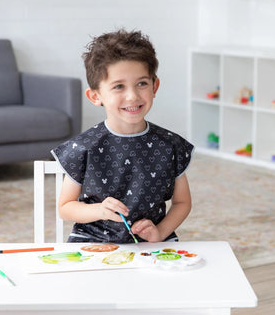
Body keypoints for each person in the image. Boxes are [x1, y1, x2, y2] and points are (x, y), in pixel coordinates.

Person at [51, 29, 194, 243]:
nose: (132, 96)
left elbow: (182, 203)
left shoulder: (171, 145)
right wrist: (99, 210)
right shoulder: (83, 148)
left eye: (142, 83)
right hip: (93, 242)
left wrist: (160, 232)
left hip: (152, 242)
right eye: (118, 86)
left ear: (155, 86)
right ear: (95, 96)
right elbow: (65, 207)